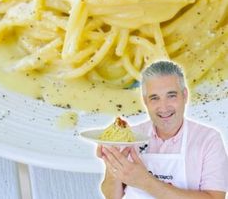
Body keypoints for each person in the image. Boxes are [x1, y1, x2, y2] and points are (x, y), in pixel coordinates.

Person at [97, 60, 228, 199]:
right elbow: (112, 196)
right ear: (146, 101)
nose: (164, 107)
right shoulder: (130, 137)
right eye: (154, 98)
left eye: (171, 96)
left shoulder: (208, 139)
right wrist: (113, 163)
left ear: (185, 95)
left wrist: (146, 182)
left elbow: (216, 197)